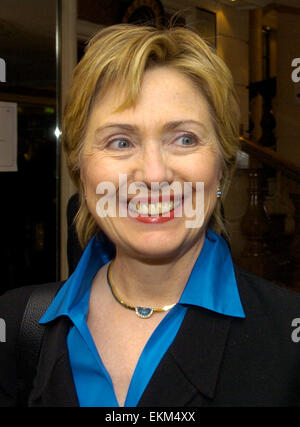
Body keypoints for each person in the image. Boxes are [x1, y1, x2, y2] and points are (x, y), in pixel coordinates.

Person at [1, 23, 300, 408]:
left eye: (185, 139)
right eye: (120, 141)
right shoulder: (17, 327)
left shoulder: (286, 341)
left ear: (222, 167)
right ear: (81, 169)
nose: (155, 174)